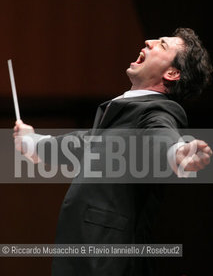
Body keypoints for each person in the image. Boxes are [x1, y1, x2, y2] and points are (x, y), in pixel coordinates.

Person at [14, 28, 212, 276]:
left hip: (107, 259)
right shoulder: (125, 114)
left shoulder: (159, 110)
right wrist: (31, 141)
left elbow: (161, 137)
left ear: (172, 73)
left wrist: (177, 153)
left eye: (162, 45)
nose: (149, 42)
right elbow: (82, 145)